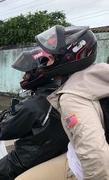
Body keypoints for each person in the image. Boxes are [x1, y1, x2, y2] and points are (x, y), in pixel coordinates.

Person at [0, 48, 69, 180]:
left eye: (26, 73)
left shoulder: (34, 104)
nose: (23, 76)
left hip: (25, 160)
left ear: (39, 72)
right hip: (54, 156)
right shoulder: (65, 95)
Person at [32, 25, 109, 179]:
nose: (45, 62)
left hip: (83, 169)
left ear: (70, 56)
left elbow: (95, 156)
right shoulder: (100, 74)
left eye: (51, 57)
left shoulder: (72, 96)